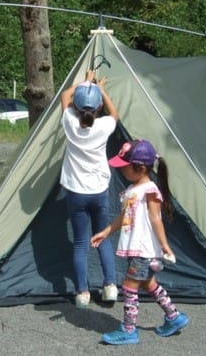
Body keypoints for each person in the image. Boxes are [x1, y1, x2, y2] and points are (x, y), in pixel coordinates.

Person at [91, 139, 190, 345]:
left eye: (126, 167)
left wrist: (164, 246)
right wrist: (106, 231)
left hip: (143, 249)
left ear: (141, 167)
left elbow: (156, 218)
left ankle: (129, 330)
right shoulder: (132, 190)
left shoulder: (149, 190)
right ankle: (174, 316)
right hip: (134, 248)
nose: (122, 171)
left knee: (129, 286)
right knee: (148, 283)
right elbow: (123, 217)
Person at [60, 69, 120, 309]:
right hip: (99, 191)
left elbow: (65, 95)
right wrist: (100, 90)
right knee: (103, 238)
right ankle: (110, 287)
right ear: (98, 109)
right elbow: (115, 113)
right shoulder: (104, 125)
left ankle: (82, 293)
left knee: (81, 243)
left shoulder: (70, 122)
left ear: (76, 107)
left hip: (76, 192)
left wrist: (85, 83)